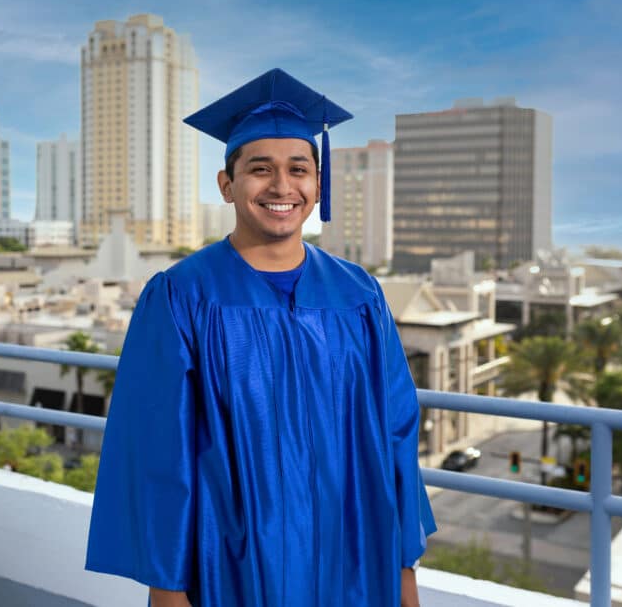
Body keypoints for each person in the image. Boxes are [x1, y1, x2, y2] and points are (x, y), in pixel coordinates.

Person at [85, 68, 436, 606]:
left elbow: (395, 433)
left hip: (354, 554)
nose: (281, 186)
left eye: (299, 169)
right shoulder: (180, 297)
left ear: (318, 186)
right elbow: (160, 454)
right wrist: (167, 589)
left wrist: (404, 567)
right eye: (259, 169)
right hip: (233, 562)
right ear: (227, 185)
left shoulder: (359, 294)